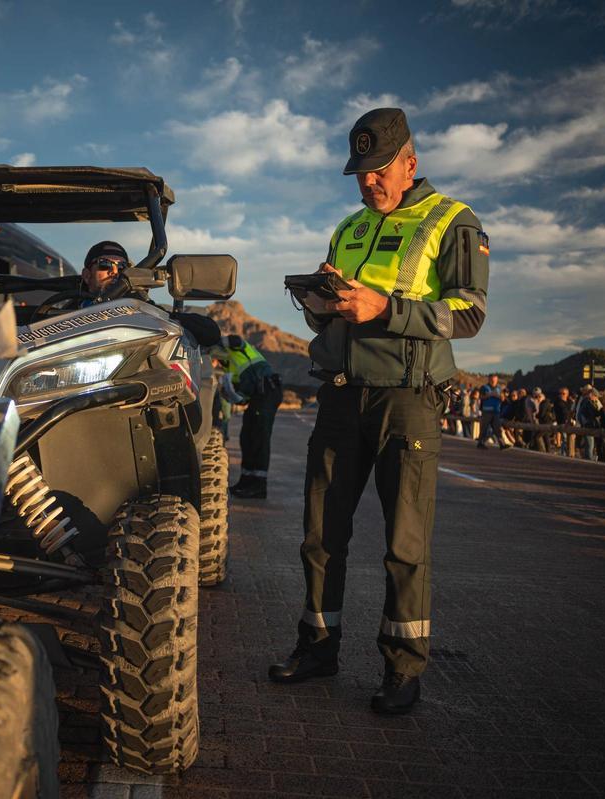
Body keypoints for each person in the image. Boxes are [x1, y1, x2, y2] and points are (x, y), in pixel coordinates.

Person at [271, 108, 489, 715]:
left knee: (404, 545)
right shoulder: (347, 228)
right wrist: (321, 300)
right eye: (360, 173)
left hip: (407, 400)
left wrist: (384, 309)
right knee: (319, 537)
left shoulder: (453, 220)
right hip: (341, 394)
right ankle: (316, 649)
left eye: (379, 170)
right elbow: (342, 311)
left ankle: (402, 669)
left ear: (410, 163)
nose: (368, 183)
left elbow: (468, 314)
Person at [217, 335, 283, 499]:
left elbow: (236, 340)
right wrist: (231, 395)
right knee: (246, 437)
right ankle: (246, 481)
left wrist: (214, 340)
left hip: (267, 391)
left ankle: (259, 486)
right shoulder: (227, 368)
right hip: (256, 397)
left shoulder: (236, 348)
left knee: (259, 438)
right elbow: (243, 396)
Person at [477, 373, 508, 450]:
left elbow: (503, 399)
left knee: (497, 428)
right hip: (486, 411)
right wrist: (489, 395)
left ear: (497, 380)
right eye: (492, 379)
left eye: (495, 380)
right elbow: (480, 397)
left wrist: (497, 396)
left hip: (496, 411)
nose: (493, 381)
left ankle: (502, 444)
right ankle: (481, 443)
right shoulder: (484, 387)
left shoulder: (499, 388)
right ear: (489, 379)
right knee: (484, 428)